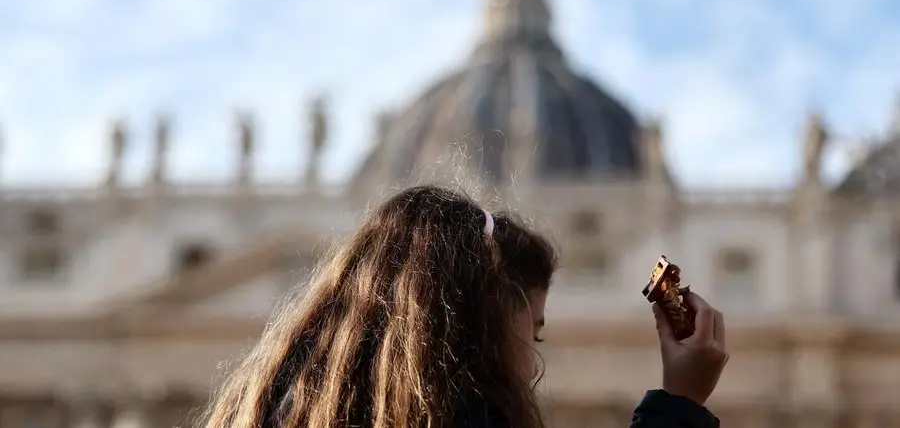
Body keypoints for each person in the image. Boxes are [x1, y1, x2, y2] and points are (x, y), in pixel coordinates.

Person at [200, 185, 728, 428]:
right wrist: (680, 404)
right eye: (535, 333)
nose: (534, 366)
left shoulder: (266, 405)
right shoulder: (463, 416)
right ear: (483, 323)